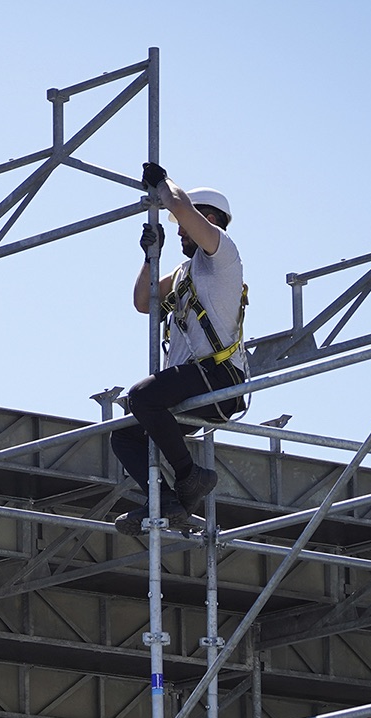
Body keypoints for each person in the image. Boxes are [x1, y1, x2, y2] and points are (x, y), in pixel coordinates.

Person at [110, 162, 248, 535]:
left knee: (141, 397)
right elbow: (144, 301)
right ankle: (167, 501)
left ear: (208, 218)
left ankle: (190, 475)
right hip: (193, 381)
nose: (181, 231)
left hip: (217, 377)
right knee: (123, 435)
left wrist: (162, 183)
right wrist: (150, 257)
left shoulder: (222, 254)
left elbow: (182, 207)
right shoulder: (187, 272)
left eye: (183, 227)